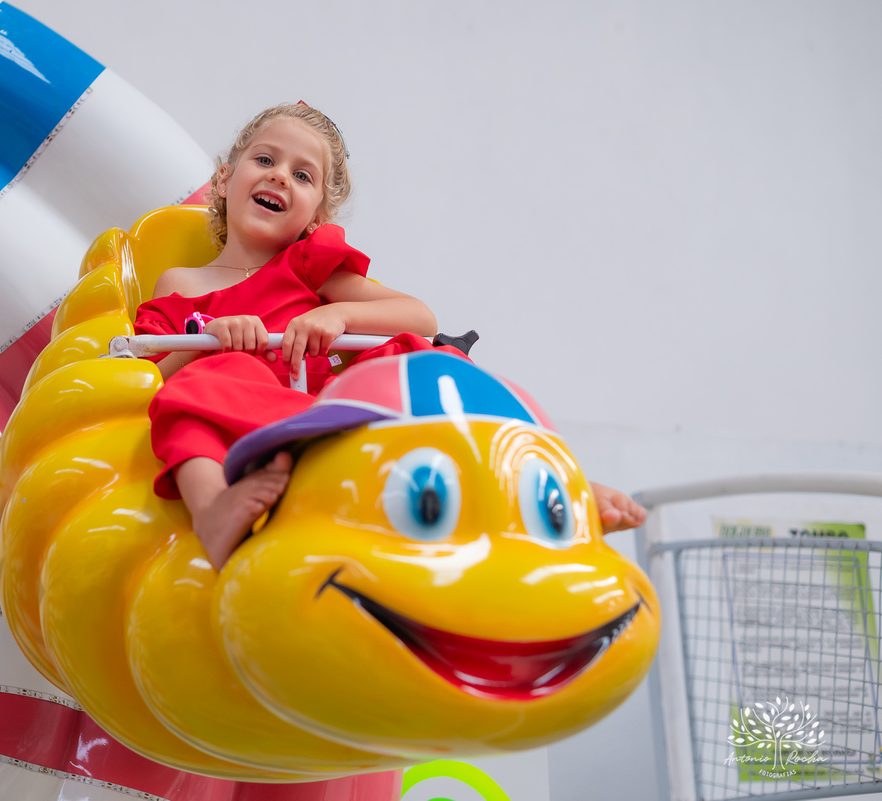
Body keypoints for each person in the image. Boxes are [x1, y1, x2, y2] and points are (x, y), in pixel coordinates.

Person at [134, 103, 644, 570]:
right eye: (265, 159)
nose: (280, 177)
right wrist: (208, 347)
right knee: (203, 384)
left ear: (317, 217)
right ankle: (212, 511)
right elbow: (148, 380)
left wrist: (338, 319)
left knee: (424, 358)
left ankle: (547, 483)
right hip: (236, 418)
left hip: (319, 416)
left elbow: (419, 316)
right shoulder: (180, 284)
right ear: (224, 178)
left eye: (302, 175)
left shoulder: (309, 268)